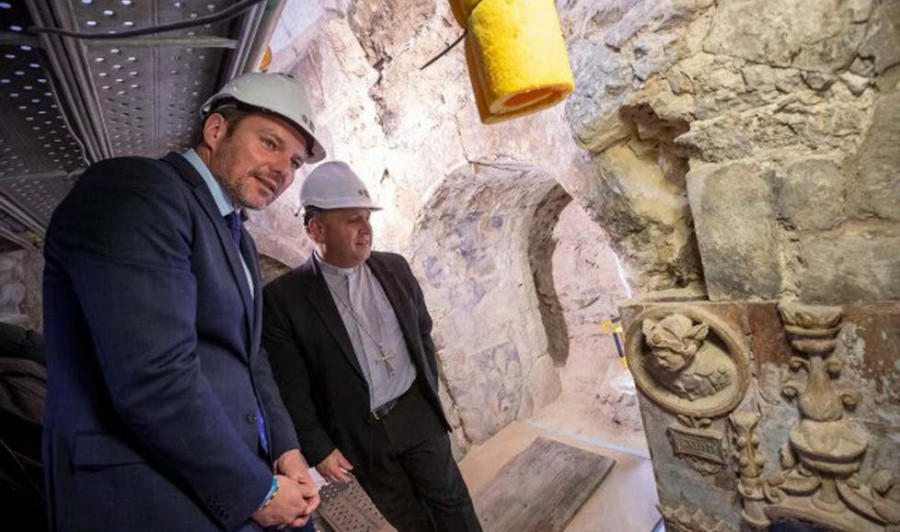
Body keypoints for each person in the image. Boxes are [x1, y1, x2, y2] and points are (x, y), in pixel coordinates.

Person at [42, 72, 325, 531]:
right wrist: (257, 491)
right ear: (216, 130)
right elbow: (153, 377)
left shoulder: (239, 240)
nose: (282, 170)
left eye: (294, 162)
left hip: (235, 476)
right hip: (149, 492)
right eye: (270, 144)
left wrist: (285, 449)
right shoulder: (136, 189)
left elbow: (251, 358)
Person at [262, 161, 482, 532]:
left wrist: (429, 397)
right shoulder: (284, 300)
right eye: (352, 219)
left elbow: (422, 333)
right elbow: (291, 387)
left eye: (367, 217)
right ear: (317, 228)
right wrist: (318, 447)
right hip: (359, 434)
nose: (366, 229)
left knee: (451, 502)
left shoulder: (394, 268)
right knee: (407, 519)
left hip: (415, 412)